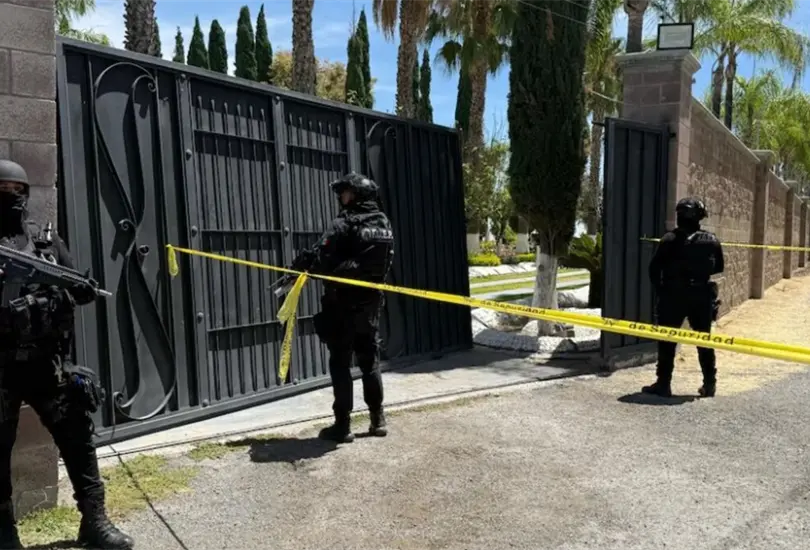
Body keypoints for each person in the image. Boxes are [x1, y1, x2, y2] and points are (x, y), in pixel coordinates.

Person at [0, 160, 134, 550]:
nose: (11, 199)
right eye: (2, 191)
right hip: (2, 369)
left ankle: (94, 521)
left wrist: (81, 287)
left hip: (49, 364)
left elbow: (76, 288)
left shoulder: (45, 244)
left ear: (27, 195)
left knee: (77, 439)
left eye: (17, 191)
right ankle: (5, 530)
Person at [287, 172, 395, 443]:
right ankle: (377, 419)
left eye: (345, 192)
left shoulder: (344, 223)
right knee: (370, 361)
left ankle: (342, 425)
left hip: (342, 303)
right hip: (371, 303)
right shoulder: (383, 223)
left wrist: (304, 265)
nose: (340, 197)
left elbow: (321, 259)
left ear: (357, 195)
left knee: (340, 362)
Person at [644, 197, 724, 399]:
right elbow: (719, 267)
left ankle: (663, 384)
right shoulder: (711, 240)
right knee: (703, 340)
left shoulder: (669, 240)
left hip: (673, 296)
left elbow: (654, 270)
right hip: (700, 297)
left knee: (667, 341)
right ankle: (709, 384)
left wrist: (662, 290)